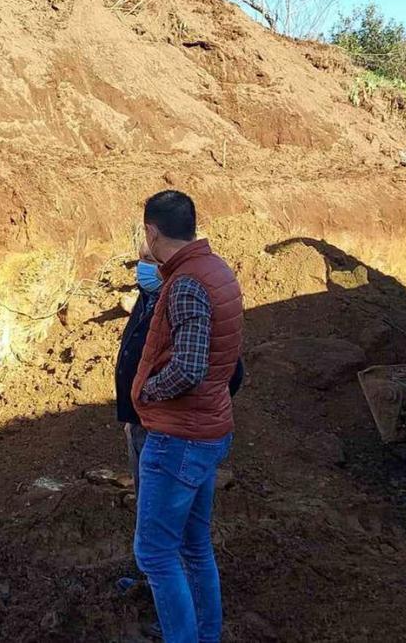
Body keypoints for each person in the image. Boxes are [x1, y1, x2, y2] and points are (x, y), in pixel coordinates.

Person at [130, 190, 243, 643]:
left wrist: (149, 393)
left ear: (152, 232)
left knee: (155, 553)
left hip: (180, 437)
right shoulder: (215, 270)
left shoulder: (188, 284)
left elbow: (190, 368)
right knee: (194, 547)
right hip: (206, 428)